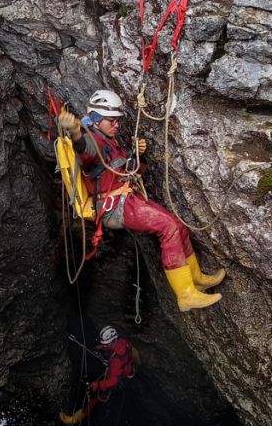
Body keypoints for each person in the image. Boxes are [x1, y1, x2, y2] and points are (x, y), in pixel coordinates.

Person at [56, 89, 224, 311]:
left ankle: (196, 277)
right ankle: (185, 295)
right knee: (167, 227)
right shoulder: (92, 139)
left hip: (129, 197)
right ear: (96, 120)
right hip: (115, 207)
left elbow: (127, 169)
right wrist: (76, 132)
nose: (116, 125)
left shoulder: (110, 141)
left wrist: (137, 155)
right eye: (112, 120)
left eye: (118, 120)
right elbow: (84, 152)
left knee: (176, 223)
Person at [60, 326, 140, 424]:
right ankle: (137, 365)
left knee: (96, 397)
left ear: (111, 342)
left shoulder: (115, 361)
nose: (104, 346)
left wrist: (96, 385)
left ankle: (75, 418)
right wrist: (98, 347)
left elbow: (114, 382)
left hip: (121, 380)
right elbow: (110, 346)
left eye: (105, 344)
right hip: (129, 370)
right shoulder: (123, 342)